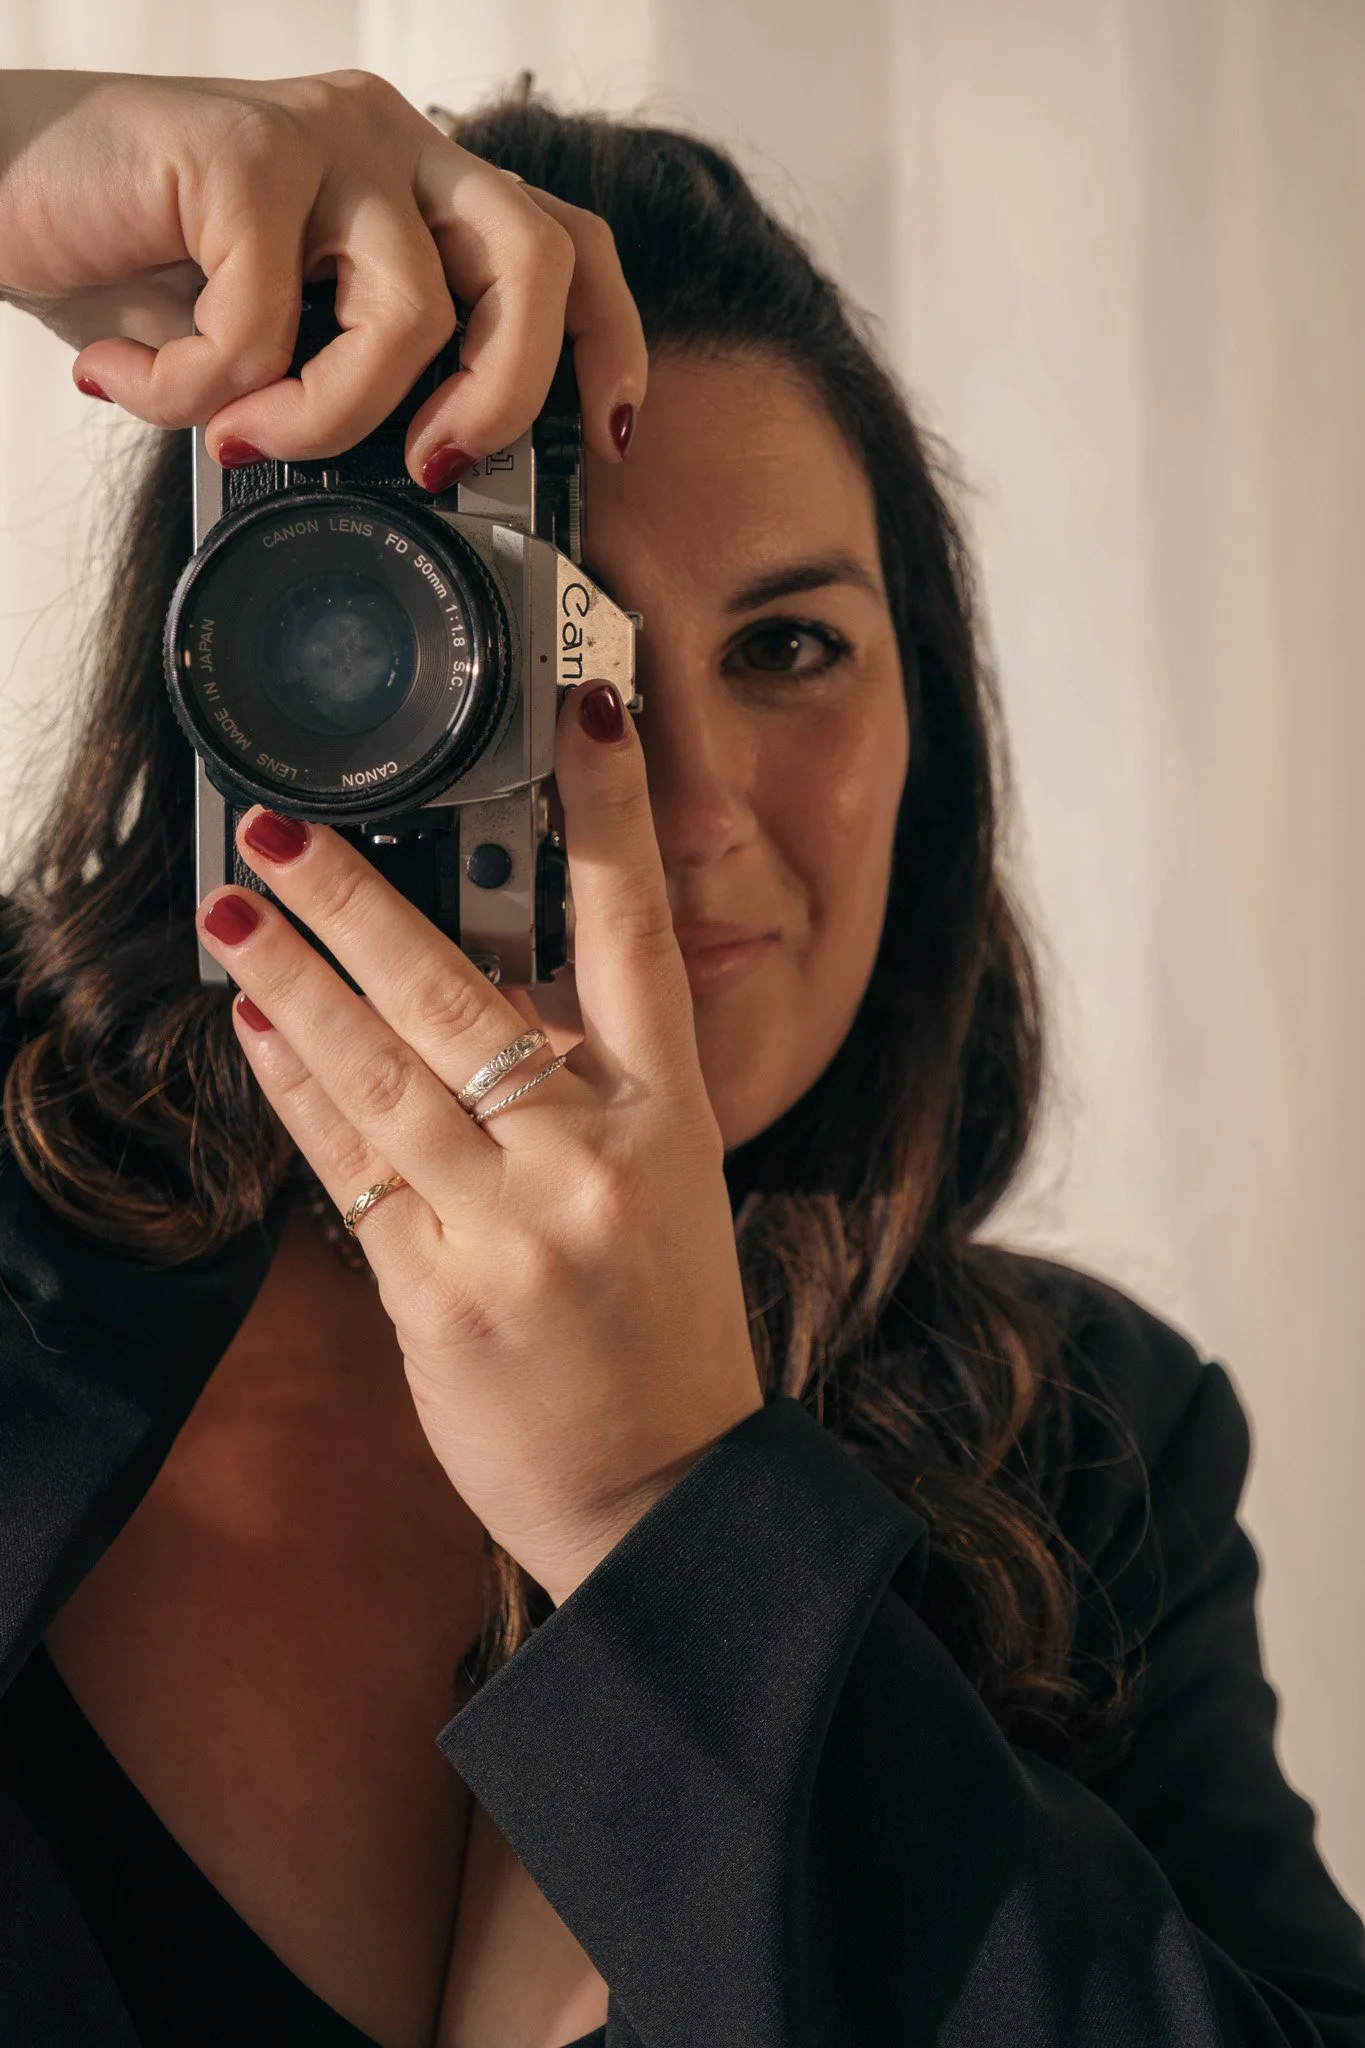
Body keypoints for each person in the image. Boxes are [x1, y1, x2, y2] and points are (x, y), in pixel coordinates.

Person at [0, 61, 1360, 2048]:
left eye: (791, 646)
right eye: (548, 644)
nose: (694, 797)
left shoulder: (1085, 1440)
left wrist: (674, 1524)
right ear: (264, 683)